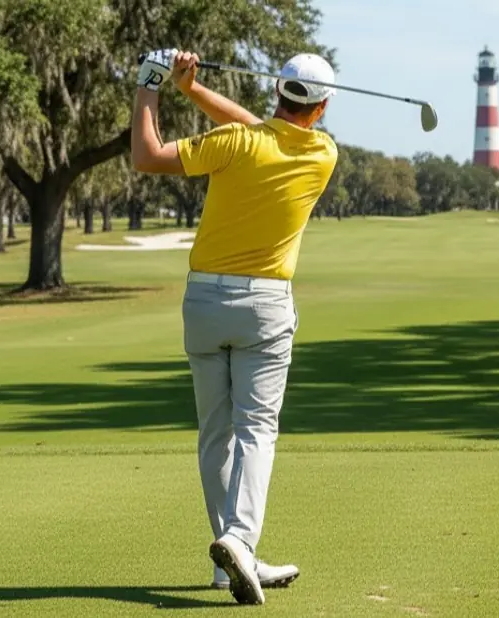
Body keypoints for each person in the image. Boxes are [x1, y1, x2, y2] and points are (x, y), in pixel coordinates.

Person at [130, 48, 339, 605]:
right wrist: (190, 89)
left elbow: (147, 156)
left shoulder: (235, 145)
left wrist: (152, 85)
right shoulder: (323, 152)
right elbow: (262, 131)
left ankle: (231, 565)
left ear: (276, 90)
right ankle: (240, 541)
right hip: (266, 307)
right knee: (257, 429)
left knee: (216, 432)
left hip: (203, 302)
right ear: (321, 108)